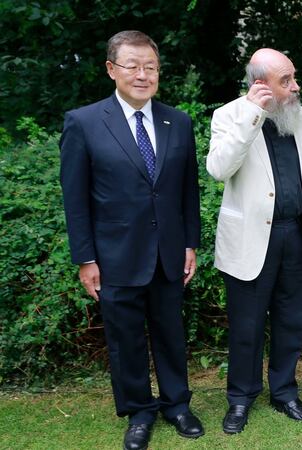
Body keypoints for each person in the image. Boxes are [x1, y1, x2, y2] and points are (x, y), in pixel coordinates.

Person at [59, 30, 203, 450]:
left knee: (171, 333)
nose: (143, 75)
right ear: (111, 70)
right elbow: (76, 198)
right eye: (132, 66)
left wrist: (190, 243)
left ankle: (177, 404)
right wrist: (86, 257)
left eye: (151, 66)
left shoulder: (178, 121)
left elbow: (186, 190)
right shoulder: (83, 122)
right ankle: (139, 411)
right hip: (114, 255)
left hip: (169, 254)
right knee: (125, 339)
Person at [207, 48, 302, 432]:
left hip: (297, 235)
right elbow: (218, 169)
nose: (296, 87)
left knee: (292, 321)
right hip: (248, 239)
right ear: (260, 84)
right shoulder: (229, 115)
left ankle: (285, 393)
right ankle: (240, 399)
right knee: (246, 325)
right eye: (286, 81)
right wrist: (252, 115)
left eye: (293, 77)